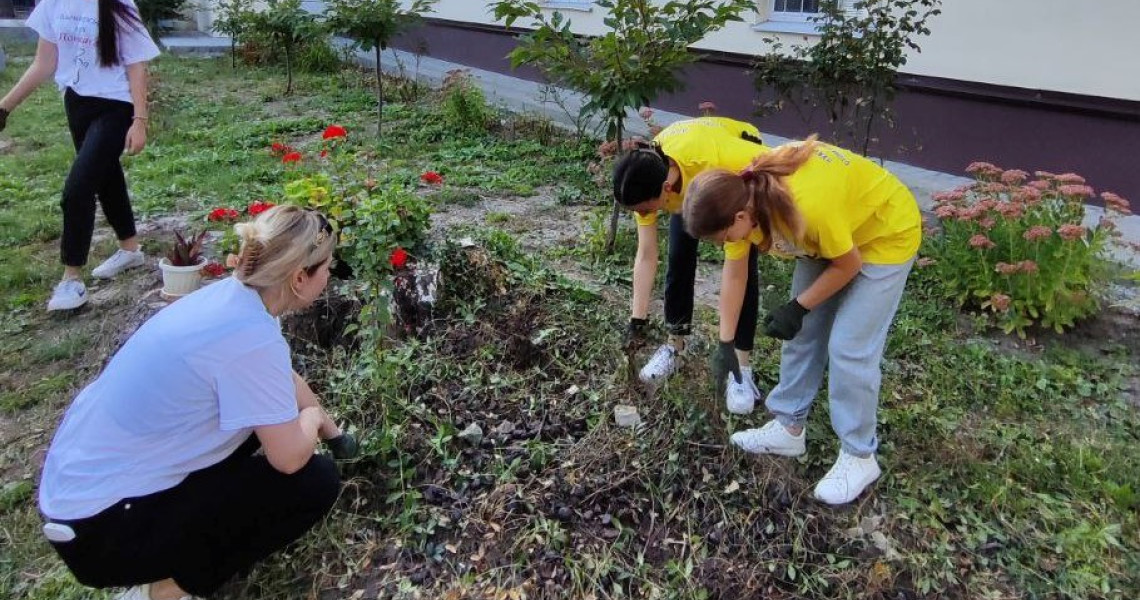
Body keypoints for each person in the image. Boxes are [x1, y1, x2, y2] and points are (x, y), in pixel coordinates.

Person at [38, 206, 359, 600]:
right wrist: (311, 421)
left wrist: (334, 433)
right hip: (102, 530)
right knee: (314, 482)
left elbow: (280, 383)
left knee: (258, 429)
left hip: (81, 494)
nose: (330, 275)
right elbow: (289, 458)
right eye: (326, 266)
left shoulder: (235, 300)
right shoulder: (249, 337)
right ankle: (163, 591)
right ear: (297, 278)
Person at [682, 137, 921, 505]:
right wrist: (727, 342)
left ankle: (859, 456)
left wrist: (798, 306)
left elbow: (848, 265)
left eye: (723, 237)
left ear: (741, 218)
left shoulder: (808, 209)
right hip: (834, 229)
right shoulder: (746, 195)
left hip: (885, 233)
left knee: (849, 347)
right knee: (804, 331)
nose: (723, 244)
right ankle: (788, 426)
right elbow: (737, 274)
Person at [0, 0, 158, 311]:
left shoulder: (118, 5)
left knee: (78, 189)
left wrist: (140, 121)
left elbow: (137, 65)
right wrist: (4, 107)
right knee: (105, 177)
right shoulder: (54, 3)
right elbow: (43, 63)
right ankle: (130, 250)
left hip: (116, 106)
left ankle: (71, 278)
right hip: (76, 102)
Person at [611, 116, 767, 413]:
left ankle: (741, 366)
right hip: (689, 169)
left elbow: (735, 274)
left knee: (743, 267)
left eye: (646, 209)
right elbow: (646, 254)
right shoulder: (645, 174)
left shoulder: (721, 168)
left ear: (666, 190)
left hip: (738, 164)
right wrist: (637, 320)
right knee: (679, 255)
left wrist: (725, 346)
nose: (644, 215)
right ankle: (675, 345)